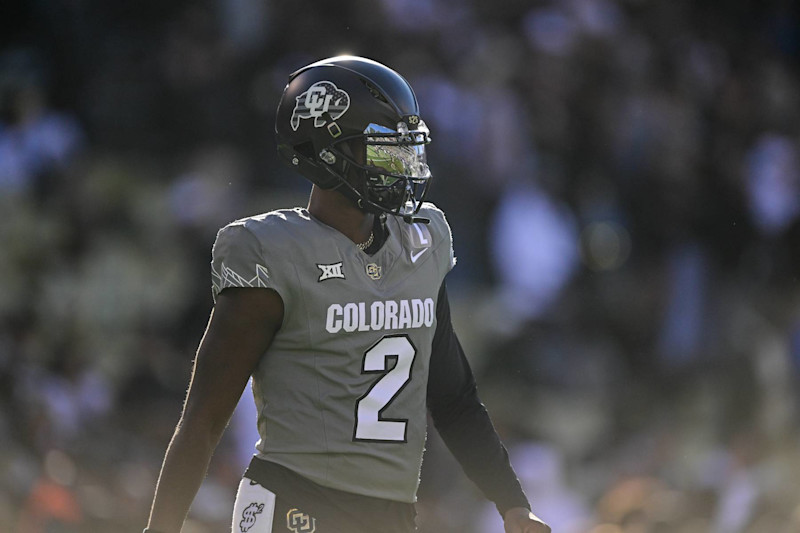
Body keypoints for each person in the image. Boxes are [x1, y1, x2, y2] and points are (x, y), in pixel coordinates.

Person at [145, 55, 550, 533]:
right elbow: (203, 421)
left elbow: (452, 395)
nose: (402, 165)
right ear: (329, 151)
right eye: (384, 150)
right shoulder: (272, 252)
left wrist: (511, 504)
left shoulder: (421, 241)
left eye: (406, 149)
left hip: (390, 515)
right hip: (292, 502)